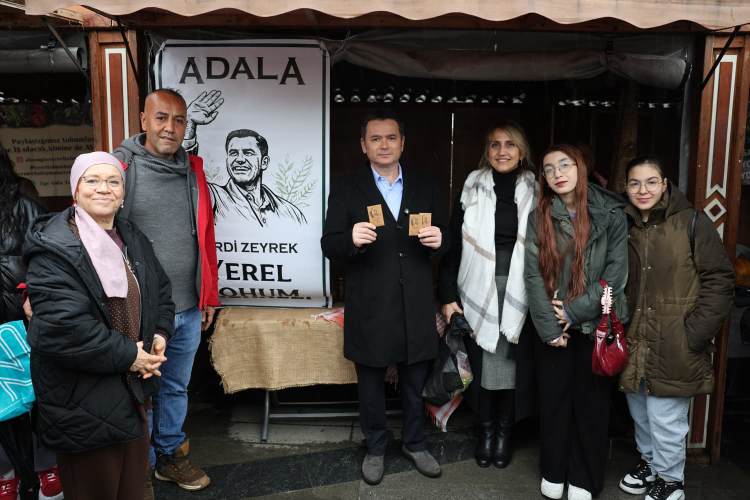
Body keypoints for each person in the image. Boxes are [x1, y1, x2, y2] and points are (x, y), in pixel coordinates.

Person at [23, 152, 174, 500]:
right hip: (81, 399)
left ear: (123, 193)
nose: (103, 188)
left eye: (113, 181)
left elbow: (162, 292)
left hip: (132, 391)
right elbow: (63, 328)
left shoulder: (131, 236)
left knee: (131, 490)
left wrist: (158, 334)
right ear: (75, 190)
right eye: (92, 180)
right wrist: (131, 356)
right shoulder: (56, 247)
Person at [321, 108, 450, 485]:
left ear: (402, 143)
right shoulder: (347, 187)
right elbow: (329, 244)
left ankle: (415, 443)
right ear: (363, 145)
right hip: (370, 303)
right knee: (370, 384)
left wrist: (440, 240)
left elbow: (446, 236)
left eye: (391, 137)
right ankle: (375, 447)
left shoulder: (425, 184)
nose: (384, 144)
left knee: (414, 381)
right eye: (375, 138)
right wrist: (350, 240)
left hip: (415, 302)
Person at [113, 88, 220, 493]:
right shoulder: (119, 167)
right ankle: (139, 466)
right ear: (144, 121)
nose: (170, 128)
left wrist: (208, 294)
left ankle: (170, 456)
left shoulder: (193, 170)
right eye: (161, 118)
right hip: (137, 309)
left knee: (175, 387)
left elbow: (205, 237)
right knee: (136, 389)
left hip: (188, 306)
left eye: (178, 120)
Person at [618, 157, 734, 500]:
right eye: (635, 183)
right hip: (635, 337)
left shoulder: (692, 222)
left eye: (651, 182)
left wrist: (693, 334)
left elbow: (720, 280)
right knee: (640, 411)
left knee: (666, 417)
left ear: (665, 184)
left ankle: (671, 481)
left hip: (675, 339)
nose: (643, 190)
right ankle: (651, 464)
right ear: (625, 187)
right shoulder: (623, 223)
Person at [525, 144, 629, 500]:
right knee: (554, 401)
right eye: (549, 169)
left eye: (565, 165)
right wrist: (550, 326)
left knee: (591, 404)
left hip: (594, 324)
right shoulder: (540, 215)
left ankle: (584, 476)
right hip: (552, 324)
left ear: (581, 167)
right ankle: (554, 470)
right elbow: (532, 275)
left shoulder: (611, 213)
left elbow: (616, 275)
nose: (558, 174)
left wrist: (572, 312)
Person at [437, 121, 538, 469]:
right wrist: (447, 295)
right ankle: (486, 431)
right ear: (487, 151)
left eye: (510, 144)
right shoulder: (472, 186)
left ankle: (504, 432)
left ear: (522, 151)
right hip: (478, 285)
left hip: (521, 287)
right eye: (495, 144)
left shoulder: (537, 189)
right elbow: (452, 244)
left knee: (510, 366)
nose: (502, 151)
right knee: (482, 364)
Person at [0, 152, 61, 500]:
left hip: (19, 316)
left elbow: (47, 260)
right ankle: (5, 473)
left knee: (34, 391)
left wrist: (35, 298)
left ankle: (46, 465)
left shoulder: (23, 205)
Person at [207, 129, 307, 226]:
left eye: (248, 153)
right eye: (233, 153)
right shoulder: (213, 195)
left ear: (264, 162)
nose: (240, 159)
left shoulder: (291, 213)